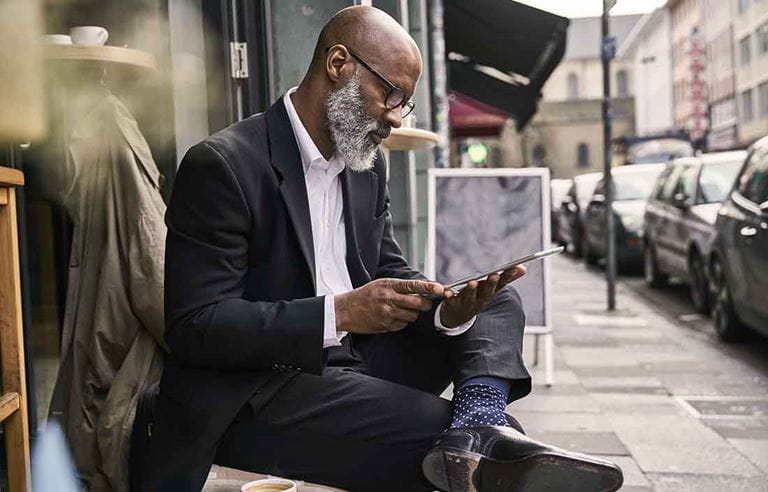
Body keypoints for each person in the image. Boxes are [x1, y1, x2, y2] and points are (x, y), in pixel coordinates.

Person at [134, 6, 623, 491]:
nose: (394, 117)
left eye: (403, 102)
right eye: (391, 94)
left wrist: (446, 310)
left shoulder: (366, 166)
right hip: (260, 388)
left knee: (496, 301)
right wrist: (341, 313)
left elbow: (386, 267)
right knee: (438, 447)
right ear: (338, 64)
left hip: (354, 359)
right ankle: (480, 446)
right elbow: (195, 328)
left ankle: (481, 421)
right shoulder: (223, 165)